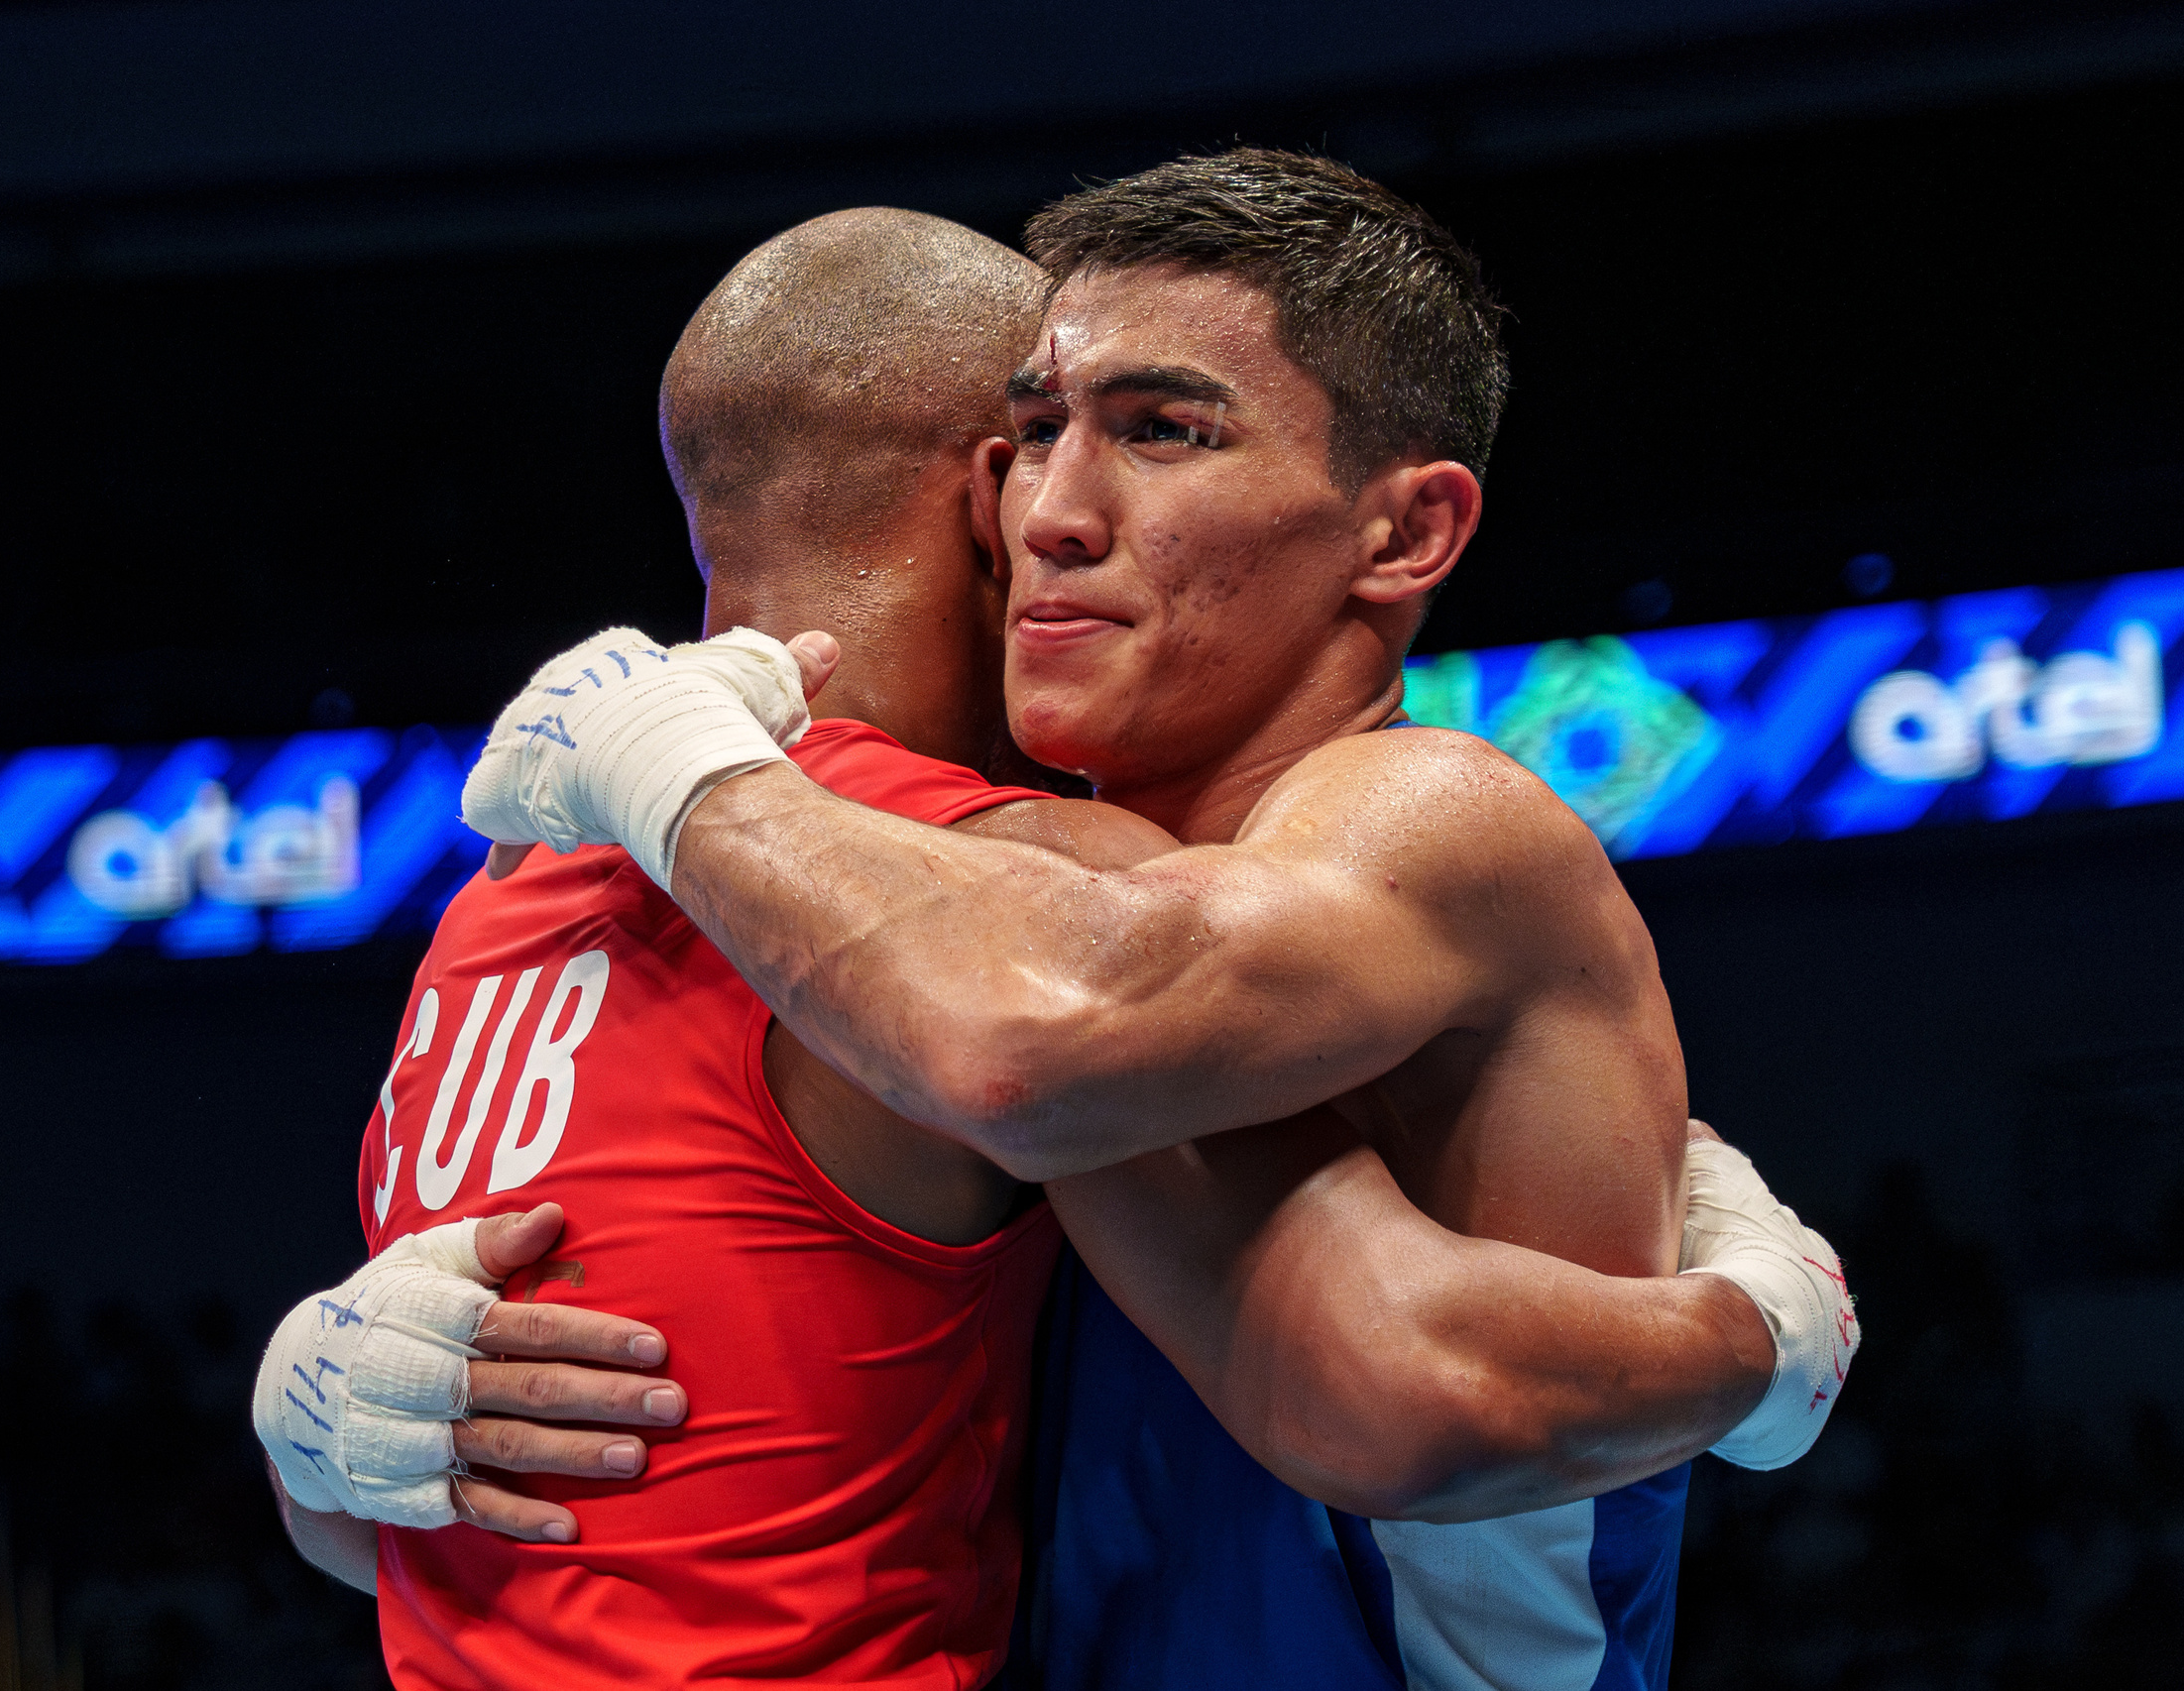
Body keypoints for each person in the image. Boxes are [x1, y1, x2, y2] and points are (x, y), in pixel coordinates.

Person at [263, 193, 1846, 1690]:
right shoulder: (987, 909)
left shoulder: (1411, 816)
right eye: (1036, 437)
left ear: (1403, 532)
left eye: (1163, 432)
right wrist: (324, 1435)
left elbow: (1396, 1381)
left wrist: (1760, 1339)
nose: (1059, 511)